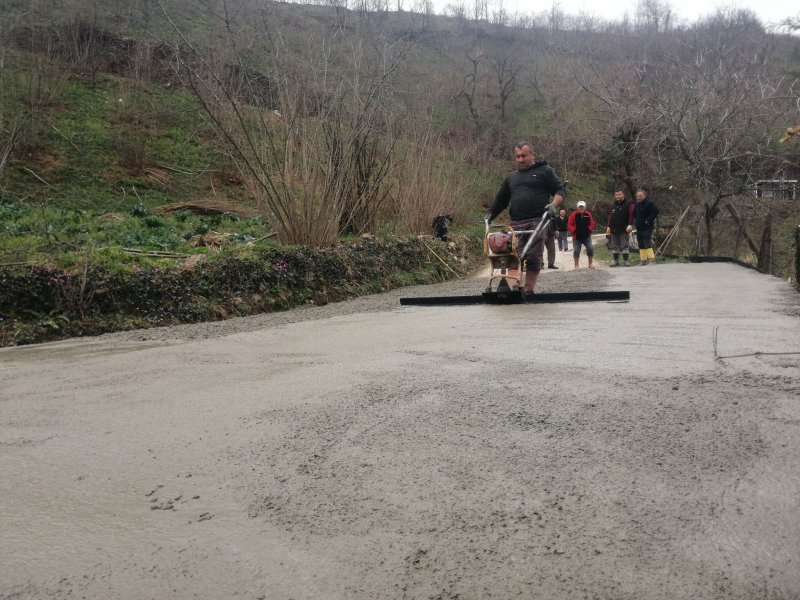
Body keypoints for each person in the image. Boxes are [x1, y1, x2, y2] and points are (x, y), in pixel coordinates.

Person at [485, 141, 566, 293]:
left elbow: (560, 191)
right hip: (516, 223)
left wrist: (553, 205)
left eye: (524, 156)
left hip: (538, 221)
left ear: (533, 155)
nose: (520, 159)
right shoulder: (511, 177)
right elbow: (501, 200)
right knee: (513, 256)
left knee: (533, 256)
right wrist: (490, 214)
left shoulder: (545, 171)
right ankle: (511, 289)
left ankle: (528, 290)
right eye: (517, 156)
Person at [606, 190, 635, 266]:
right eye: (616, 195)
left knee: (624, 245)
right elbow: (610, 216)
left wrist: (630, 224)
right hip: (614, 229)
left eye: (619, 194)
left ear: (623, 195)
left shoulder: (629, 204)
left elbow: (631, 214)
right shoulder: (613, 205)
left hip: (624, 229)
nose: (617, 196)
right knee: (614, 246)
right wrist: (608, 226)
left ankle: (626, 261)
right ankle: (615, 261)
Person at [633, 188, 659, 265]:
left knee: (647, 242)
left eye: (640, 196)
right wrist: (635, 222)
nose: (639, 197)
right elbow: (634, 214)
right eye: (637, 196)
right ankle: (643, 260)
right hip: (639, 227)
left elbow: (655, 211)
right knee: (640, 243)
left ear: (644, 196)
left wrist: (648, 220)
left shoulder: (649, 204)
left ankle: (651, 259)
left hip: (647, 227)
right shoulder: (637, 204)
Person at [567, 201, 595, 268]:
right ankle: (576, 265)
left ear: (585, 207)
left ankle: (590, 264)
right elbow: (569, 224)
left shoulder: (588, 214)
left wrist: (589, 229)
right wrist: (574, 230)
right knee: (576, 251)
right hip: (576, 237)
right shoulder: (573, 214)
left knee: (590, 248)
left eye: (582, 207)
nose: (581, 208)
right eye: (580, 207)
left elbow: (592, 223)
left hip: (587, 236)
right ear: (577, 207)